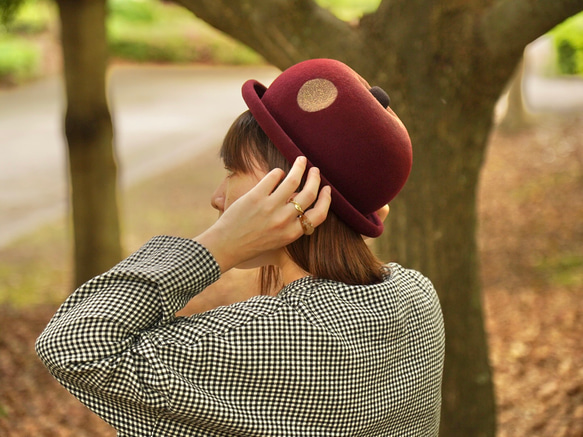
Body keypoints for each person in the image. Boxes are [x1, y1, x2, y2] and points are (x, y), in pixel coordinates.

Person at [36, 59, 445, 436]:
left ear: (293, 189)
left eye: (233, 171)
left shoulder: (276, 339)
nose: (217, 197)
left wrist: (218, 246)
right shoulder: (418, 297)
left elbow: (73, 345)